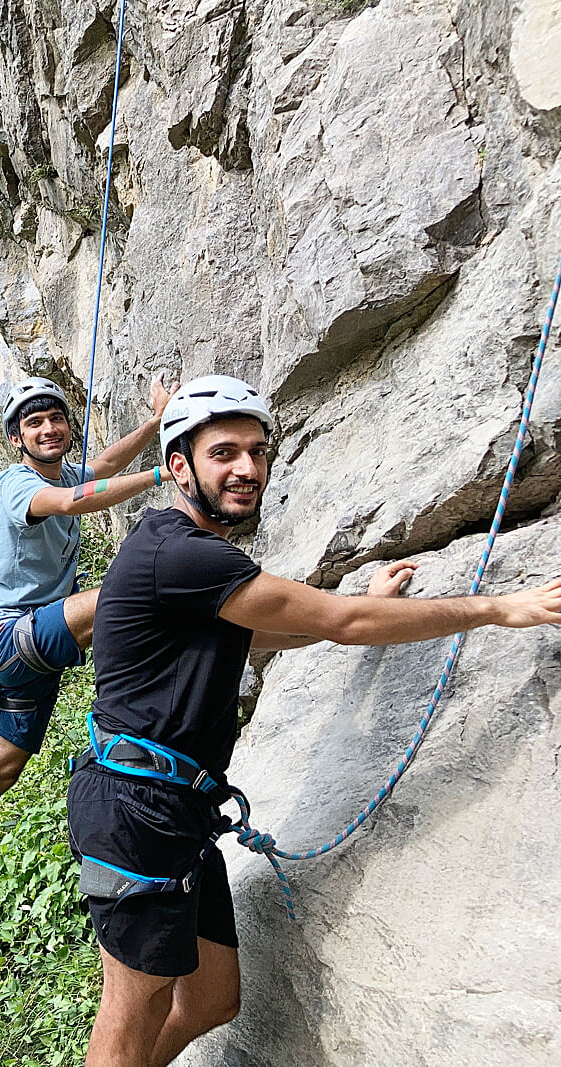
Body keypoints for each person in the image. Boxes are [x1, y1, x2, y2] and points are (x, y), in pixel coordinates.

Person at [68, 374, 561, 1067]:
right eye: (223, 453)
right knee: (135, 1007)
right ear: (179, 466)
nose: (247, 468)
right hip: (136, 809)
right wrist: (498, 608)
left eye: (257, 451)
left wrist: (364, 606)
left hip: (173, 807)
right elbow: (341, 623)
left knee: (209, 1000)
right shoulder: (183, 554)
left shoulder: (184, 555)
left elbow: (280, 630)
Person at [0, 373, 177, 896]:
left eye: (56, 418)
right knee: (123, 594)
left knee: (1, 767)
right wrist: (164, 474)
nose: (48, 428)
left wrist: (156, 423)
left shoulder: (67, 474)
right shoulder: (15, 483)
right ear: (17, 438)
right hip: (12, 638)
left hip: (36, 647)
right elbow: (70, 502)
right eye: (34, 423)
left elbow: (103, 467)